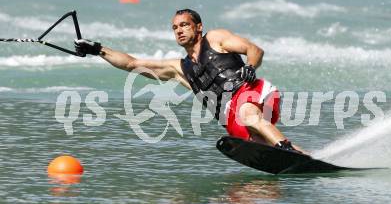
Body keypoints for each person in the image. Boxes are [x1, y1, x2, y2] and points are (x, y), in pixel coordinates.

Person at [75, 9, 305, 153]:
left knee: (248, 114)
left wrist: (251, 67)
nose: (179, 30)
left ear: (198, 27)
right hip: (230, 116)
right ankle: (304, 159)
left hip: (252, 91)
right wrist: (97, 49)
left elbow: (254, 49)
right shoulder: (179, 68)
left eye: (184, 25)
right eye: (175, 28)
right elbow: (131, 64)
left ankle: (284, 147)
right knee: (260, 147)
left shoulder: (216, 38)